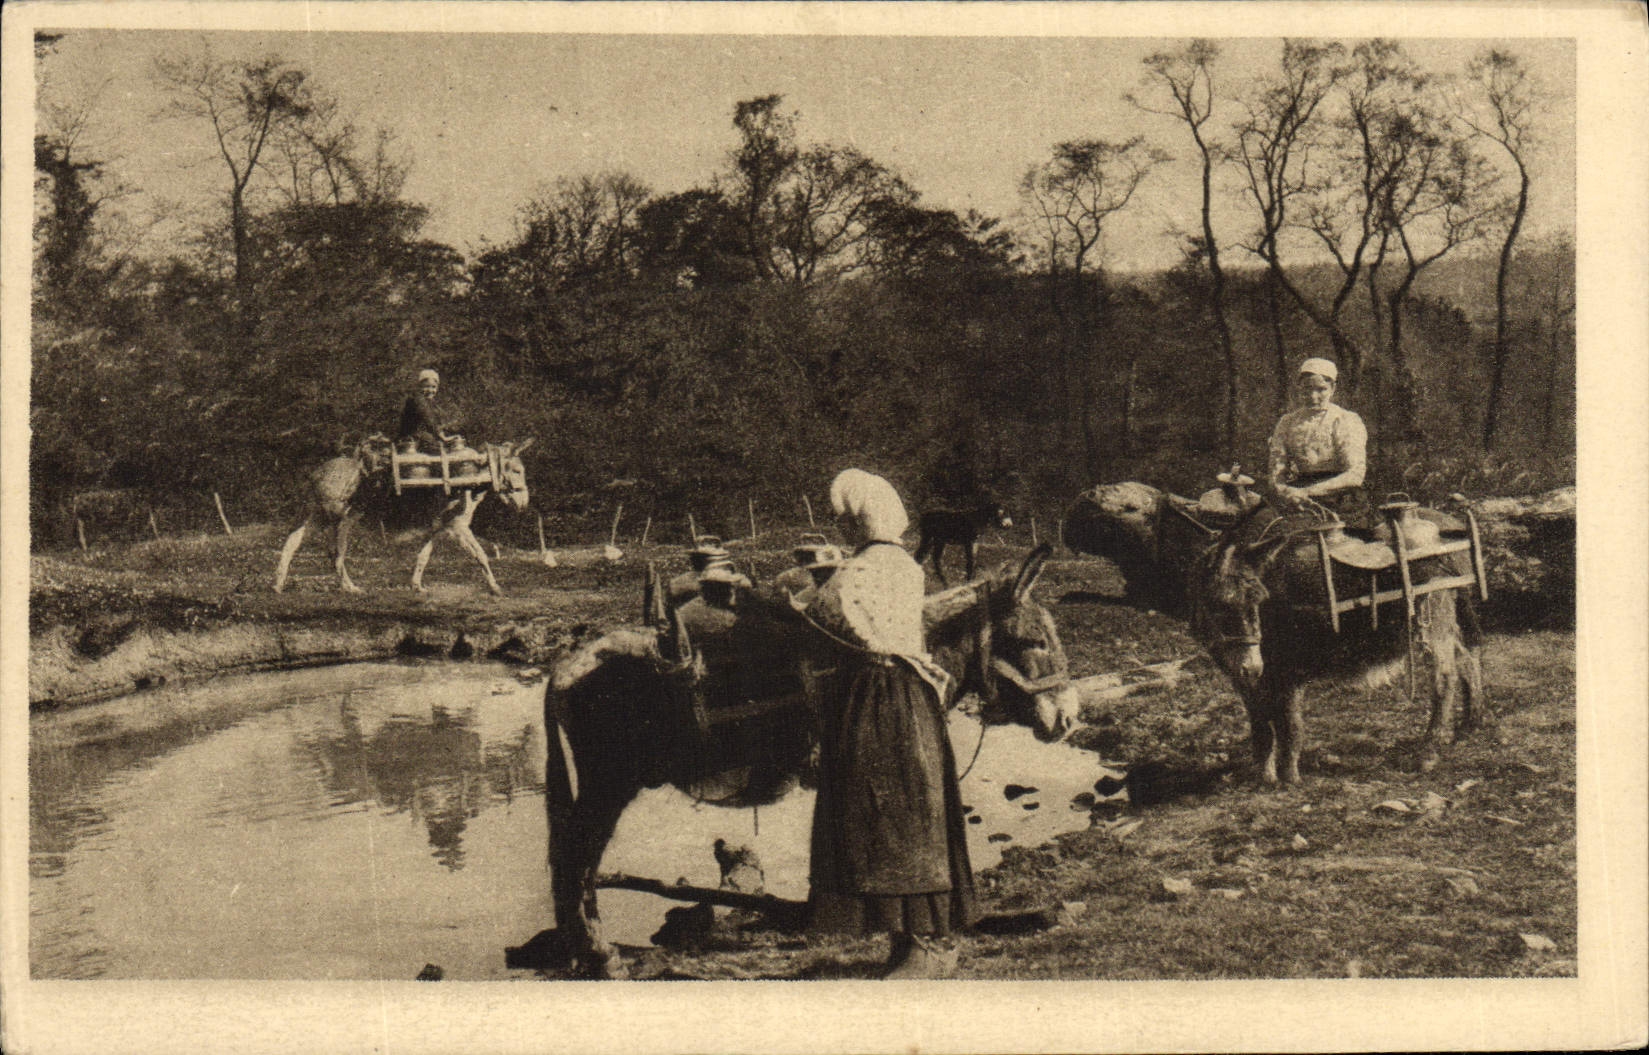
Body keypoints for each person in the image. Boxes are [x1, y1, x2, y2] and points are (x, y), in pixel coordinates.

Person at [798, 468, 977, 979]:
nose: (847, 531)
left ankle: (925, 947)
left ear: (862, 521)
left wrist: (803, 615)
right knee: (913, 804)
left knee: (881, 808)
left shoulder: (863, 567)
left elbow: (829, 612)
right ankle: (918, 940)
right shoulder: (905, 564)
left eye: (849, 521)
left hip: (878, 698)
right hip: (911, 695)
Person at [1267, 357, 1373, 530]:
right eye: (1307, 389)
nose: (1313, 396)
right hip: (1298, 498)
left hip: (1341, 498)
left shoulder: (1345, 420)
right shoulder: (1287, 422)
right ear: (1299, 389)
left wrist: (1308, 492)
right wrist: (1286, 493)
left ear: (1333, 388)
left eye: (1321, 389)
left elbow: (1355, 475)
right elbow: (1276, 473)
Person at [396, 368, 460, 455]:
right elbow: (428, 417)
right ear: (419, 386)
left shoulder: (431, 402)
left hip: (424, 435)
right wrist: (442, 436)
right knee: (440, 449)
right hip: (412, 437)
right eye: (426, 386)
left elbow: (437, 420)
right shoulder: (417, 399)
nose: (430, 390)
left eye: (433, 387)